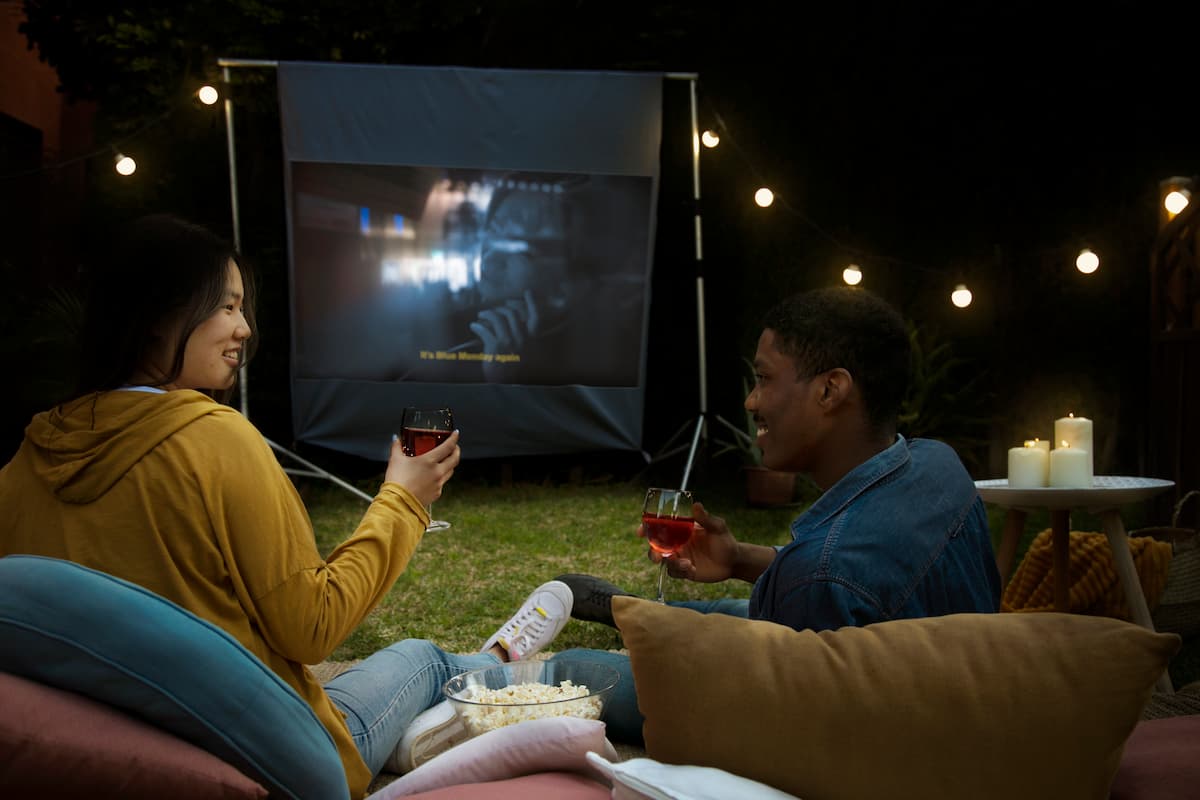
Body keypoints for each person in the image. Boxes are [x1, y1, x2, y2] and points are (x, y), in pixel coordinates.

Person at [0, 214, 575, 798]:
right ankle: (507, 661)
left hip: (106, 760)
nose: (244, 327)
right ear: (156, 318)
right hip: (263, 755)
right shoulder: (213, 439)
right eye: (226, 306)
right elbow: (311, 627)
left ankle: (442, 714)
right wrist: (403, 500)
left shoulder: (28, 460)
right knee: (421, 660)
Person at [546, 285, 1003, 743]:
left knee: (571, 669)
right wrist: (738, 558)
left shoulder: (821, 577)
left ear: (830, 390)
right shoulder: (938, 462)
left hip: (877, 725)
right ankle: (631, 611)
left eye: (764, 379)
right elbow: (866, 573)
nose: (751, 402)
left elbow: (778, 717)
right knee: (731, 610)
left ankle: (614, 631)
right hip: (955, 687)